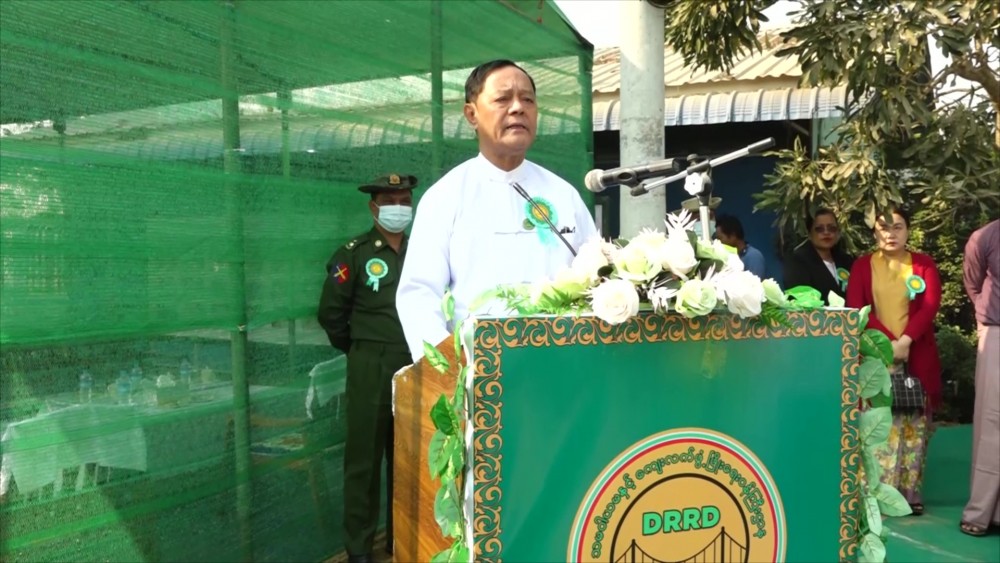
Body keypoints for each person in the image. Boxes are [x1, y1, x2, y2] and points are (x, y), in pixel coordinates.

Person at [396, 59, 598, 360]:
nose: (518, 108)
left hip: (563, 365)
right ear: (472, 114)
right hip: (479, 372)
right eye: (503, 99)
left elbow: (596, 278)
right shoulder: (446, 197)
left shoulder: (564, 194)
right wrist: (450, 370)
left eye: (527, 99)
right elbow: (419, 294)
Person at [317, 173, 417, 563]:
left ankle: (401, 540)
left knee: (408, 458)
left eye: (405, 201)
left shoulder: (421, 250)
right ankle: (359, 550)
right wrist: (360, 350)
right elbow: (331, 314)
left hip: (416, 364)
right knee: (364, 461)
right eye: (390, 202)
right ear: (373, 207)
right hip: (370, 365)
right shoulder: (353, 254)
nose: (399, 209)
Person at [846, 207, 941, 516]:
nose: (891, 233)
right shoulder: (862, 266)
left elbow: (929, 305)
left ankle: (909, 495)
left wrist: (906, 340)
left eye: (898, 226)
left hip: (915, 355)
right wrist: (888, 343)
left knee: (913, 425)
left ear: (908, 230)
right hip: (876, 356)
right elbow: (857, 307)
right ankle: (875, 494)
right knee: (878, 427)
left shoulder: (923, 264)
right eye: (884, 228)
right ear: (875, 232)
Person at [960, 219, 1000, 537]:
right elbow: (973, 284)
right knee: (992, 420)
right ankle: (981, 512)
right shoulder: (985, 236)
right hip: (996, 329)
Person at [783, 208, 855, 304]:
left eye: (831, 228)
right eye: (819, 229)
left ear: (838, 232)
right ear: (809, 234)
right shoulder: (797, 262)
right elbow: (799, 300)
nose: (826, 233)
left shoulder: (847, 260)